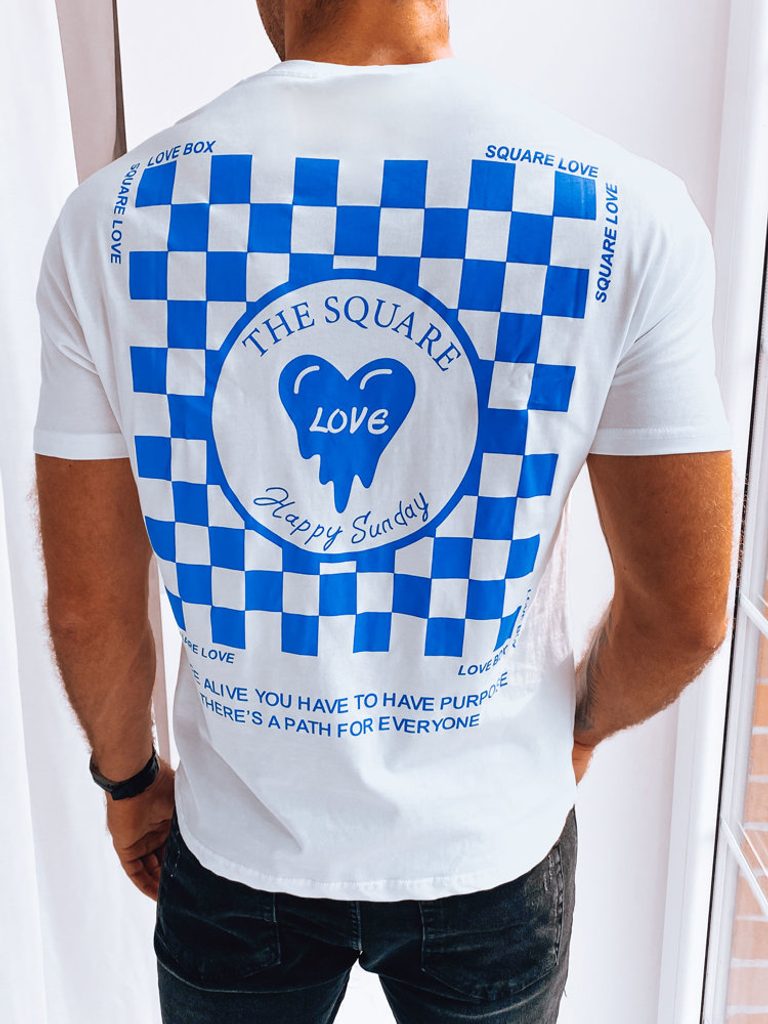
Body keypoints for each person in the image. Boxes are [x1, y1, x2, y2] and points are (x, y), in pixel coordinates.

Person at [32, 1, 735, 1021]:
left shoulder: (115, 219)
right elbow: (687, 613)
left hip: (237, 845)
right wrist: (573, 731)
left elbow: (90, 608)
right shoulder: (619, 211)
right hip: (491, 841)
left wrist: (130, 781)